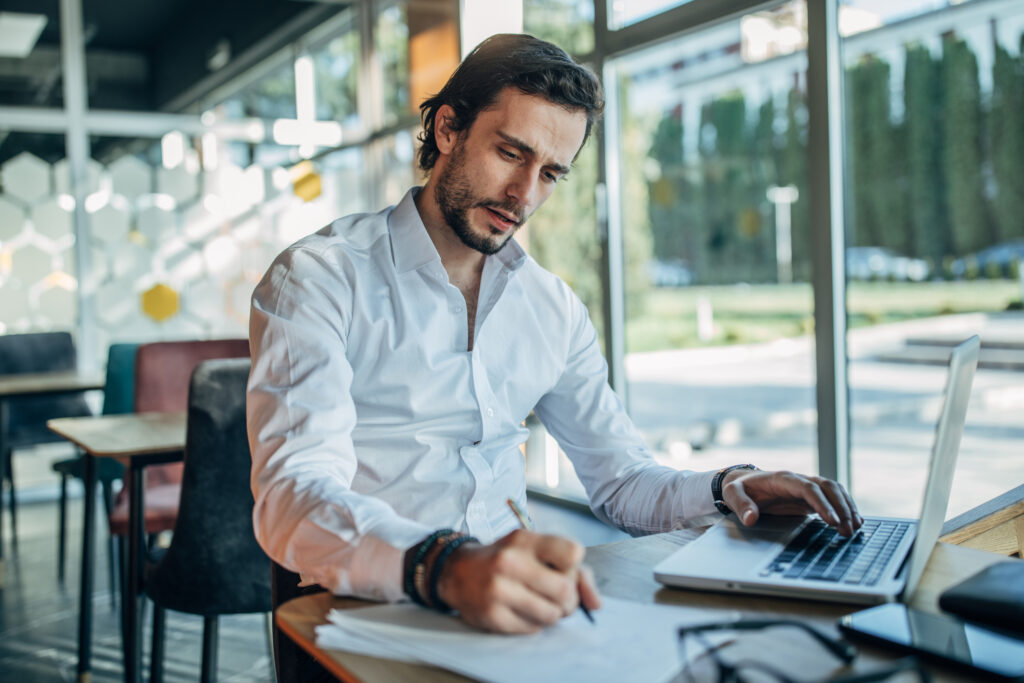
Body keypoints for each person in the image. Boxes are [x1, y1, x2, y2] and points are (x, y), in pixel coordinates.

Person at [247, 33, 862, 635]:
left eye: (550, 174)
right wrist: (449, 566)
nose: (523, 195)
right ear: (447, 130)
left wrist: (729, 489)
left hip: (517, 609)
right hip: (359, 611)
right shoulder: (319, 278)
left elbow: (621, 481)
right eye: (512, 154)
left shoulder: (552, 306)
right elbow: (294, 494)